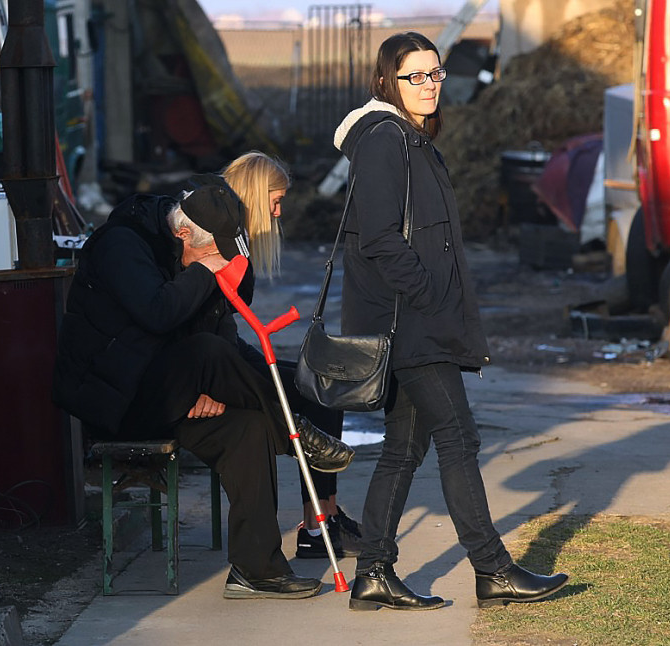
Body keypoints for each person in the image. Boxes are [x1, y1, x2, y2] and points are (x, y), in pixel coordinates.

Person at [333, 31, 569, 611]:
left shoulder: (410, 138)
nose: (430, 85)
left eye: (435, 73)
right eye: (415, 76)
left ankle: (373, 573)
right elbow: (380, 238)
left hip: (414, 317)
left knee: (404, 447)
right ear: (387, 81)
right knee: (458, 437)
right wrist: (430, 296)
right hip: (409, 321)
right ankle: (493, 570)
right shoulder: (384, 139)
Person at [52, 182, 356, 600]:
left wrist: (207, 385)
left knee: (248, 429)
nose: (216, 265)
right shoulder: (121, 245)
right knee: (207, 352)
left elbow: (224, 310)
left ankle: (257, 570)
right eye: (212, 254)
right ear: (183, 233)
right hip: (116, 399)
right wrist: (204, 270)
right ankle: (295, 432)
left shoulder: (187, 244)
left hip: (171, 390)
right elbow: (157, 314)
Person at [220, 152, 363, 559]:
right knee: (316, 391)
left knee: (322, 384)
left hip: (227, 350)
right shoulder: (222, 241)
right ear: (253, 194)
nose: (279, 212)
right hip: (219, 360)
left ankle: (325, 516)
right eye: (276, 201)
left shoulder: (235, 238)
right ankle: (317, 526)